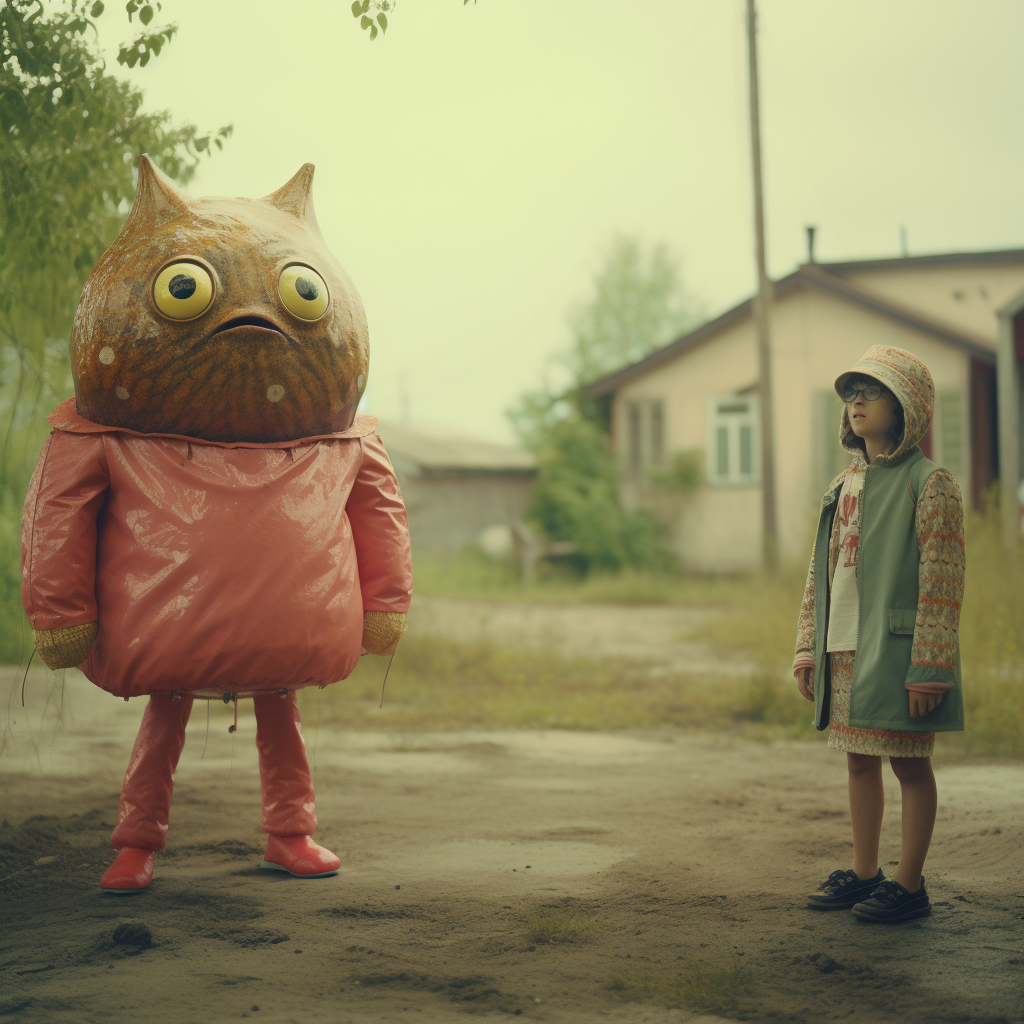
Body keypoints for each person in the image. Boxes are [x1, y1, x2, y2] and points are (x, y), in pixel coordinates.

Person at [793, 345, 965, 922]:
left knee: (908, 764)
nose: (857, 401)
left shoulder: (931, 482)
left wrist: (932, 668)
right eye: (851, 393)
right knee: (858, 760)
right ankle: (865, 874)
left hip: (898, 652)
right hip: (841, 645)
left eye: (873, 392)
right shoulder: (843, 484)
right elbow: (820, 572)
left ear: (908, 406)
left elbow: (943, 582)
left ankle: (909, 885)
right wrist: (806, 646)